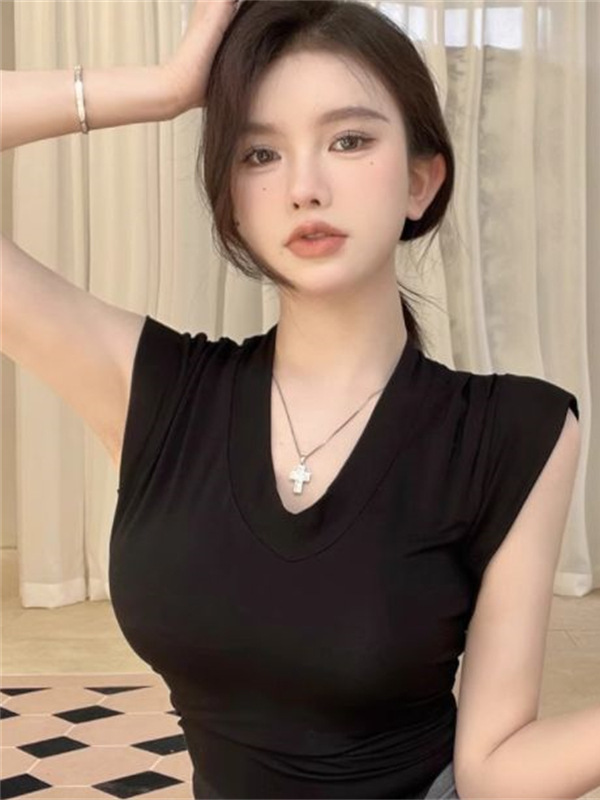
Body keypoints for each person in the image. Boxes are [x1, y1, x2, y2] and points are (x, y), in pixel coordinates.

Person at [0, 1, 584, 799]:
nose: (306, 188)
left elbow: (492, 771)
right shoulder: (156, 393)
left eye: (349, 141)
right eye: (260, 153)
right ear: (233, 204)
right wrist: (166, 88)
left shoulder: (513, 431)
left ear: (421, 181)